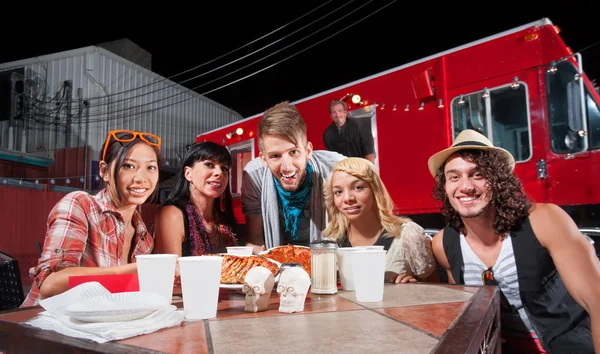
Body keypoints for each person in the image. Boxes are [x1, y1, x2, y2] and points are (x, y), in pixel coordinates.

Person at [428, 129, 599, 353]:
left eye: (478, 174)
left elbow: (596, 302)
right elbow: (466, 315)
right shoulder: (443, 244)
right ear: (445, 188)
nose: (466, 186)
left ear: (498, 180)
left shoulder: (544, 220)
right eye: (454, 177)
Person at [21, 129, 161, 307]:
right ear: (104, 171)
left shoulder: (144, 238)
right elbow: (50, 285)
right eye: (129, 166)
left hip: (98, 326)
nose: (141, 178)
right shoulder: (80, 205)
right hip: (42, 325)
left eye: (151, 167)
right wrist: (134, 271)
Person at [242, 101, 345, 253]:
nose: (287, 166)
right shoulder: (254, 176)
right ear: (264, 159)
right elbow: (255, 240)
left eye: (293, 152)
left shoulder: (334, 167)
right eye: (275, 156)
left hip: (327, 261)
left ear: (308, 151)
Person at [322, 157, 436, 283]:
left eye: (358, 187)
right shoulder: (331, 242)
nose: (348, 198)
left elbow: (435, 289)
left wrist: (413, 286)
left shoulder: (407, 235)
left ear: (375, 190)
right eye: (338, 192)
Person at [154, 142, 240, 257]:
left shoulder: (222, 219)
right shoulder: (172, 214)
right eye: (209, 164)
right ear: (188, 173)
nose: (219, 173)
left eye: (224, 168)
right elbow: (171, 270)